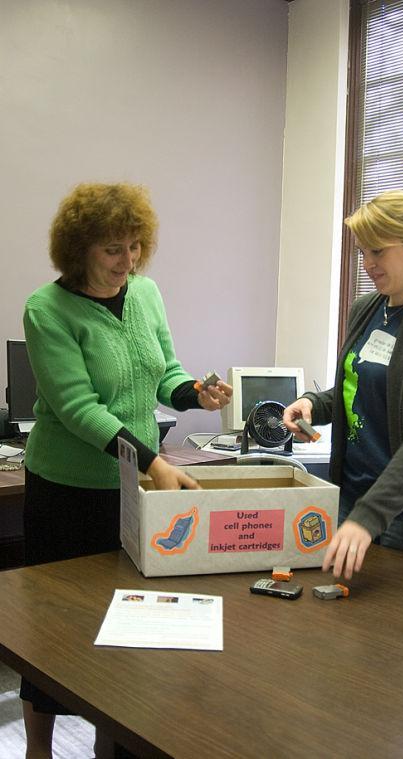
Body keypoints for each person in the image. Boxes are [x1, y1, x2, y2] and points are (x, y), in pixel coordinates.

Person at [21, 182, 232, 758]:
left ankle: (106, 745)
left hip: (127, 488)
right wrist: (154, 460)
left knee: (122, 629)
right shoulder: (47, 309)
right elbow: (78, 409)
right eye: (113, 249)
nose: (128, 261)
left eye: (136, 246)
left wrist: (196, 393)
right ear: (80, 249)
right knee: (58, 632)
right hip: (67, 489)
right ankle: (39, 748)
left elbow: (163, 372)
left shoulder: (146, 293)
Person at [283, 190, 403, 582]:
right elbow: (358, 387)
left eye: (377, 253)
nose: (367, 264)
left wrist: (367, 518)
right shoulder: (366, 308)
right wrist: (314, 403)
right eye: (362, 253)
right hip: (353, 500)